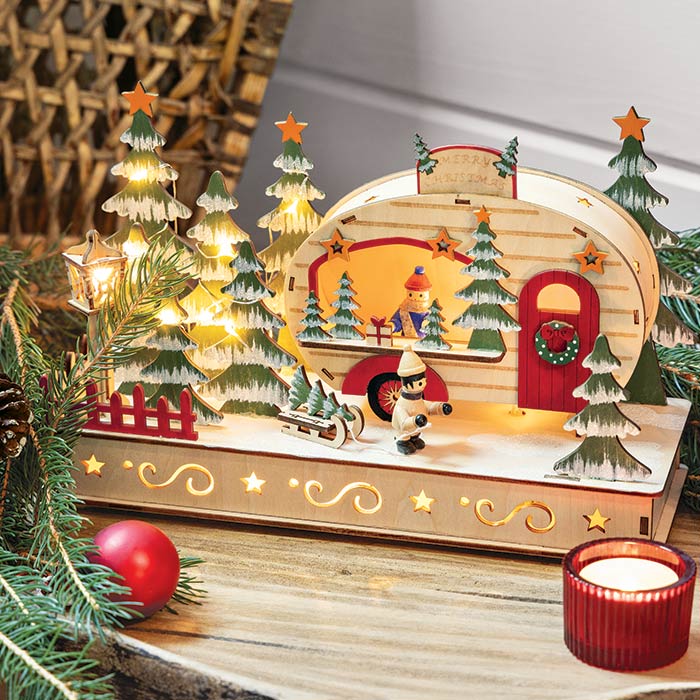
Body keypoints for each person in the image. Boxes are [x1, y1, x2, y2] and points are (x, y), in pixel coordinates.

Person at [392, 346, 452, 455]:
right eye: (419, 382)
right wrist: (415, 421)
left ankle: (414, 439)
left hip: (416, 430)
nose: (423, 384)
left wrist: (440, 408)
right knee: (404, 434)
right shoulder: (402, 405)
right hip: (404, 431)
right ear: (406, 383)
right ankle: (403, 443)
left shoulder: (418, 399)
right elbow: (404, 423)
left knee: (415, 435)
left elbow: (427, 407)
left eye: (424, 380)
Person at [389, 266, 432, 338]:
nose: (415, 299)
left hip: (423, 340)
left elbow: (433, 325)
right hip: (406, 339)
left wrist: (428, 324)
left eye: (420, 295)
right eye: (411, 294)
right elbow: (398, 321)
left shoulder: (428, 310)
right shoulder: (403, 309)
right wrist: (393, 325)